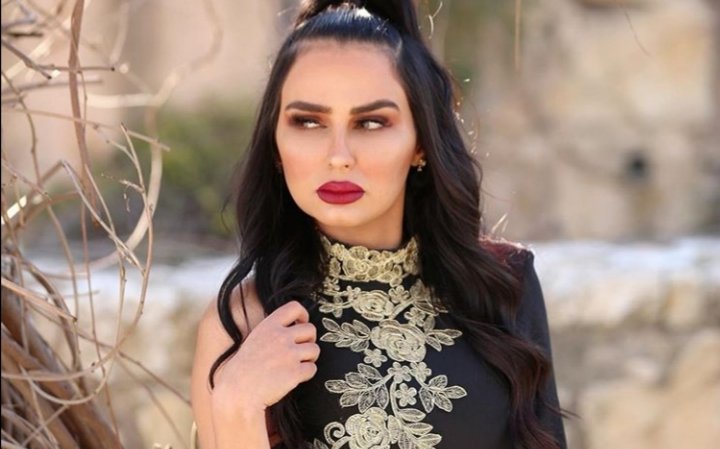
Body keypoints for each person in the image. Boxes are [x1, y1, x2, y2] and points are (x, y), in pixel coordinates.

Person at [191, 1, 570, 448]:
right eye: (308, 122)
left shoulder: (503, 286)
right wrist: (236, 406)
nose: (338, 155)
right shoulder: (243, 321)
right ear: (275, 144)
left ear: (420, 143)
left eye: (371, 122)